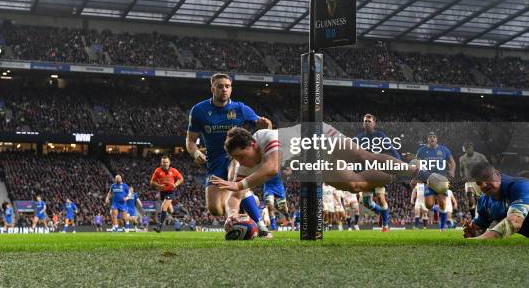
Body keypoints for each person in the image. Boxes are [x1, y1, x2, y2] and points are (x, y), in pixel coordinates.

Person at [212, 126, 448, 231]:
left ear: (251, 144)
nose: (240, 163)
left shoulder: (264, 137)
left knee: (362, 155)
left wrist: (240, 184)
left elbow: (272, 168)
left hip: (319, 136)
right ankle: (398, 173)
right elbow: (236, 196)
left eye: (240, 156)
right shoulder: (247, 162)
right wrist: (232, 216)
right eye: (236, 159)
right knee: (355, 185)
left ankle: (421, 173)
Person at [186, 72, 272, 237]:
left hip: (236, 156)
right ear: (212, 88)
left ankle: (261, 227)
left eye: (227, 86)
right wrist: (195, 151)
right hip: (214, 162)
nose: (224, 89)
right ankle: (248, 198)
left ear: (231, 88)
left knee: (235, 177)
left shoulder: (240, 108)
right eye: (220, 86)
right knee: (216, 209)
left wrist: (266, 126)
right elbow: (190, 140)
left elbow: (265, 128)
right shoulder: (199, 110)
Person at [355, 114, 401, 232]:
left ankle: (385, 226)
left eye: (369, 121)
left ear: (374, 123)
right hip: (364, 173)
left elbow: (392, 150)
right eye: (365, 121)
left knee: (380, 198)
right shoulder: (359, 138)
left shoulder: (380, 136)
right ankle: (383, 213)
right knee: (366, 202)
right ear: (362, 123)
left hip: (379, 172)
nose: (367, 123)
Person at [462, 162, 528, 239]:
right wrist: (473, 232)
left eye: (486, 177)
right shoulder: (483, 202)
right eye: (479, 183)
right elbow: (478, 229)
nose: (483, 185)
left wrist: (478, 240)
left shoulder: (521, 185)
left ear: (497, 174)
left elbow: (515, 222)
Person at [416, 132, 456, 231]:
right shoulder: (421, 151)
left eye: (434, 137)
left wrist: (452, 170)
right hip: (428, 180)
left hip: (441, 180)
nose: (432, 138)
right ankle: (436, 210)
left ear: (437, 139)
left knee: (442, 203)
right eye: (430, 137)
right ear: (427, 139)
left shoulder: (444, 150)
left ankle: (442, 227)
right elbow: (416, 164)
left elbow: (452, 162)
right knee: (428, 205)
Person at [150, 155, 183, 233]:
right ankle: (179, 218)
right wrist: (159, 185)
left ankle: (159, 227)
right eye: (163, 162)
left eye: (167, 162)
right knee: (170, 210)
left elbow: (181, 179)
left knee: (163, 207)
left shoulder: (174, 170)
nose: (165, 164)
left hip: (171, 191)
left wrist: (175, 185)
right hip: (163, 192)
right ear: (161, 163)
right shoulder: (158, 171)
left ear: (169, 162)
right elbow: (152, 182)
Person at [458, 141, 488, 217]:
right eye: (466, 148)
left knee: (479, 200)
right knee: (470, 197)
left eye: (469, 147)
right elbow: (461, 170)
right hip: (469, 181)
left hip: (479, 181)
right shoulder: (462, 159)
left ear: (472, 148)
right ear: (464, 149)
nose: (468, 149)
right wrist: (462, 177)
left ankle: (481, 217)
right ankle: (473, 217)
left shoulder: (480, 156)